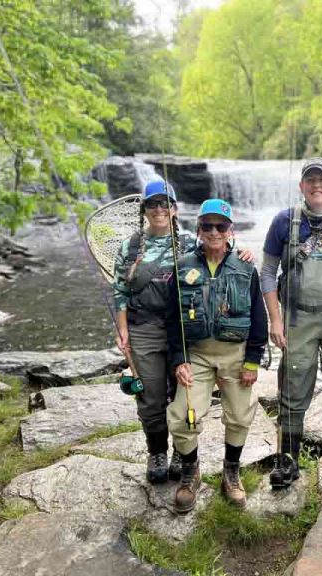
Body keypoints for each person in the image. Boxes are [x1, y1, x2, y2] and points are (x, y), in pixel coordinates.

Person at [260, 157, 322, 487]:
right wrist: (275, 320)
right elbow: (267, 274)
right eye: (310, 180)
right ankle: (288, 458)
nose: (317, 185)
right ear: (301, 185)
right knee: (292, 387)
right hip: (297, 319)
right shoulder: (283, 222)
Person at [166, 199, 268, 512]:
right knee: (184, 416)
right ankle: (190, 472)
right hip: (195, 355)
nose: (213, 232)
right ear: (197, 230)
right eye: (207, 226)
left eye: (220, 226)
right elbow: (172, 320)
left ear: (229, 230)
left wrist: (252, 360)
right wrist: (178, 359)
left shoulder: (246, 266)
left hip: (235, 354)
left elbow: (259, 319)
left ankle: (231, 473)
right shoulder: (182, 267)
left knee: (239, 415)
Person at [113, 179, 197, 485]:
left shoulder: (190, 243)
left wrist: (244, 256)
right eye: (153, 204)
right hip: (142, 329)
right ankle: (157, 452)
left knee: (181, 394)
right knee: (150, 397)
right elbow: (120, 292)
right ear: (144, 210)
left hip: (182, 331)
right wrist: (122, 332)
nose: (159, 209)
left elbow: (218, 260)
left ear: (174, 210)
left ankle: (180, 450)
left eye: (165, 204)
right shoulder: (129, 247)